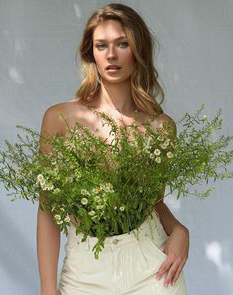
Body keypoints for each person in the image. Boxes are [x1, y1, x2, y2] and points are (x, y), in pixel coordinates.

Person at [37, 3, 189, 295]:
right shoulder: (59, 119)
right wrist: (47, 287)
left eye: (122, 44)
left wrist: (180, 231)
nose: (111, 55)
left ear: (138, 50)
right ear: (90, 53)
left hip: (151, 267)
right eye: (101, 45)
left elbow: (153, 202)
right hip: (85, 270)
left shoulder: (162, 128)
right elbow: (48, 208)